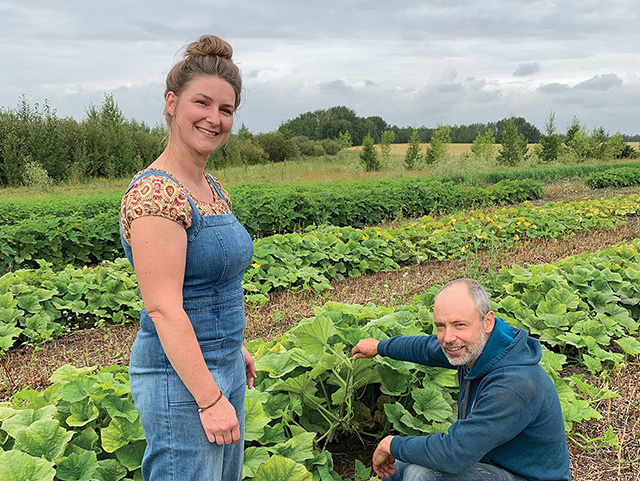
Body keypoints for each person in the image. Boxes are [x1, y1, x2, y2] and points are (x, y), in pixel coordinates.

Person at [119, 35, 256, 481]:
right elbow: (163, 306)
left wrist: (233, 345)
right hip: (181, 380)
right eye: (203, 103)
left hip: (223, 366)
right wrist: (210, 399)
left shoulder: (211, 187)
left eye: (226, 110)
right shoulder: (156, 192)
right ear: (172, 103)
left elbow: (212, 284)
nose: (215, 119)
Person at [352, 278, 571, 481]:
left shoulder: (515, 384)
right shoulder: (478, 348)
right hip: (491, 463)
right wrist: (379, 347)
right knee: (398, 468)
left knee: (422, 475)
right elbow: (425, 348)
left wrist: (391, 443)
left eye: (459, 324)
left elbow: (454, 453)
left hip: (526, 476)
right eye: (440, 326)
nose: (448, 338)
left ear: (487, 321)